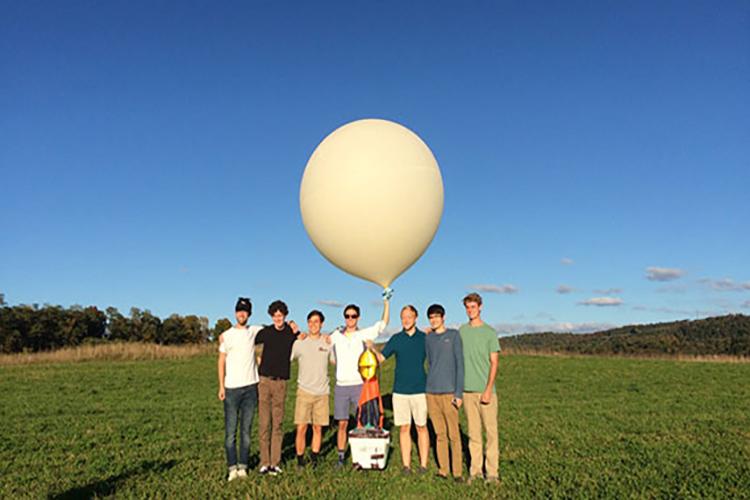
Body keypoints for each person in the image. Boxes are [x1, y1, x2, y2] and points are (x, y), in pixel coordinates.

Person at [330, 296, 390, 467]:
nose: (350, 319)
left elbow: (383, 323)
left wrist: (386, 302)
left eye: (353, 316)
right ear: (344, 317)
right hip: (341, 386)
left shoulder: (363, 335)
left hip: (359, 385)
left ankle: (362, 457)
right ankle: (341, 457)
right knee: (342, 423)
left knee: (363, 422)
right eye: (347, 316)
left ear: (358, 317)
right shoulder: (336, 335)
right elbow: (321, 340)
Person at [378, 305, 429, 474]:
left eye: (409, 316)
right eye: (403, 317)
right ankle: (406, 465)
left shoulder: (424, 338)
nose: (406, 320)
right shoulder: (396, 339)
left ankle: (423, 465)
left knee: (421, 427)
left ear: (415, 318)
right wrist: (367, 348)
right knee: (404, 428)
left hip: (420, 390)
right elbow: (380, 358)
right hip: (400, 391)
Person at [217, 297, 262, 482]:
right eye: (239, 311)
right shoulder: (226, 335)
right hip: (231, 389)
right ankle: (232, 467)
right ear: (235, 313)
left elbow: (275, 332)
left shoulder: (254, 331)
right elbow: (221, 361)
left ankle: (243, 466)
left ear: (249, 314)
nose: (242, 314)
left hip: (251, 388)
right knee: (230, 433)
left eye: (245, 311)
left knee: (246, 432)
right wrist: (221, 386)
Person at [255, 300, 300, 475]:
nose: (278, 318)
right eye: (275, 315)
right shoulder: (266, 332)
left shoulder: (290, 332)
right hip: (264, 382)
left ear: (285, 316)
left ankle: (275, 462)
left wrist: (296, 329)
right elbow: (248, 342)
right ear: (271, 316)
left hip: (281, 382)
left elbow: (302, 337)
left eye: (280, 315)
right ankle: (264, 462)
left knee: (278, 424)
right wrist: (256, 361)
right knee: (264, 423)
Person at [459, 292, 500, 484]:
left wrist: (488, 389)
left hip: (486, 392)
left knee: (491, 433)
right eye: (467, 307)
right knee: (474, 435)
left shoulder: (490, 332)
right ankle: (475, 472)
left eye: (473, 307)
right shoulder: (462, 331)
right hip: (467, 392)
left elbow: (494, 363)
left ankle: (492, 473)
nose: (470, 310)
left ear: (480, 307)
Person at [424, 303, 464, 481]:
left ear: (443, 317)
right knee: (440, 434)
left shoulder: (454, 335)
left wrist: (458, 393)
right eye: (431, 317)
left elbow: (460, 365)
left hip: (449, 392)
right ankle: (443, 470)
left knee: (453, 435)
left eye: (436, 317)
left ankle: (457, 473)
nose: (434, 320)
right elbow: (431, 362)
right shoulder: (428, 339)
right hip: (431, 392)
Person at [290, 310, 333, 468]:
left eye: (316, 322)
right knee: (301, 427)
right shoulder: (300, 342)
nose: (313, 325)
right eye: (310, 322)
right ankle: (300, 459)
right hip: (304, 391)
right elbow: (286, 356)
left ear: (322, 324)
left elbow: (335, 360)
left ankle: (314, 457)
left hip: (322, 392)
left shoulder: (327, 343)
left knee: (318, 427)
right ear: (307, 323)